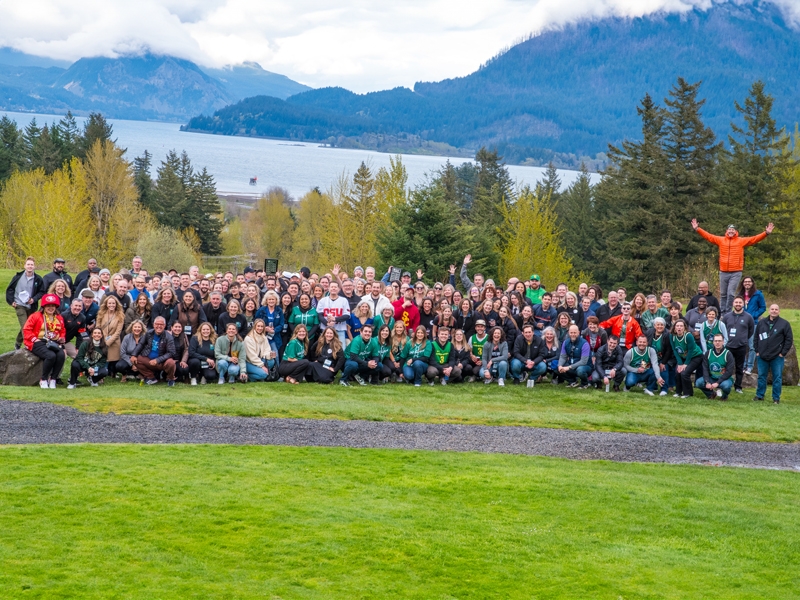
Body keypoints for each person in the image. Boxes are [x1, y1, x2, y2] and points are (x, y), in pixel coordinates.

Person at [692, 219, 773, 313]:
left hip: (736, 271)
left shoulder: (741, 241)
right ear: (726, 231)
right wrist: (697, 229)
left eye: (733, 230)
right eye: (729, 230)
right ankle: (722, 312)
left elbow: (754, 239)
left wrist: (766, 233)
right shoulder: (721, 240)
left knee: (730, 293)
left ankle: (728, 312)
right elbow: (708, 236)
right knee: (723, 294)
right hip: (723, 271)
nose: (731, 231)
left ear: (735, 232)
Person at [22, 293, 66, 388]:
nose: (51, 308)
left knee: (61, 355)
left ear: (56, 307)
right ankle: (44, 379)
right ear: (44, 307)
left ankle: (53, 379)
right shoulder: (35, 316)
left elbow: (62, 330)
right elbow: (26, 329)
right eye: (48, 306)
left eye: (53, 306)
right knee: (51, 356)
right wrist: (34, 339)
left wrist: (62, 338)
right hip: (37, 341)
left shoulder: (59, 318)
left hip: (53, 342)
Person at [754, 304, 793, 404]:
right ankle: (760, 395)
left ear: (779, 311)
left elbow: (788, 340)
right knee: (761, 376)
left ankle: (776, 398)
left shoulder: (784, 324)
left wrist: (782, 353)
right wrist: (757, 351)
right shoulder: (761, 323)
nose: (774, 311)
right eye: (772, 309)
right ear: (769, 311)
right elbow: (756, 337)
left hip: (777, 356)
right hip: (762, 355)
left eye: (776, 309)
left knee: (777, 377)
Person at [7, 257, 46, 350]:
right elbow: (10, 289)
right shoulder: (17, 277)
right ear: (25, 266)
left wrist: (34, 299)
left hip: (31, 306)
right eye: (28, 264)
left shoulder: (38, 279)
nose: (30, 266)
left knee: (28, 326)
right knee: (25, 325)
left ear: (34, 266)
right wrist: (11, 301)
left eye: (31, 265)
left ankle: (17, 342)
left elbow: (42, 291)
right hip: (19, 304)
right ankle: (28, 346)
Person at [132, 316, 177, 386]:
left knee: (171, 362)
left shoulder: (169, 337)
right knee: (136, 359)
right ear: (153, 325)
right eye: (157, 324)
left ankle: (171, 379)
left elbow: (171, 353)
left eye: (161, 324)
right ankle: (151, 378)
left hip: (162, 362)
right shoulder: (149, 333)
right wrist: (134, 355)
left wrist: (158, 360)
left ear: (164, 326)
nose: (159, 326)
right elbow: (141, 344)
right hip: (149, 360)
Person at [670, 318, 703, 399]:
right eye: (677, 326)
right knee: (678, 371)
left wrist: (685, 364)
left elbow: (691, 351)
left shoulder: (688, 336)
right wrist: (680, 363)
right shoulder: (672, 336)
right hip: (682, 357)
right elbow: (674, 350)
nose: (679, 328)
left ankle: (688, 393)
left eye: (681, 326)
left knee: (685, 373)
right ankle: (678, 392)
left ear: (684, 327)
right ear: (674, 327)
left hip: (695, 356)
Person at [696, 333, 735, 400]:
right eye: (716, 341)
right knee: (698, 383)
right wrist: (707, 382)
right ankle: (711, 394)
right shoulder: (708, 353)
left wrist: (717, 383)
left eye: (719, 341)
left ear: (723, 342)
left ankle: (724, 396)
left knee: (726, 386)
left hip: (724, 379)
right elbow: (705, 369)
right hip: (712, 378)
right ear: (713, 342)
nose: (717, 343)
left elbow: (729, 371)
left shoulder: (728, 354)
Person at [739, 276, 766, 375]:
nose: (747, 283)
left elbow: (763, 307)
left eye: (749, 282)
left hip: (753, 323)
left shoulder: (758, 294)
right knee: (742, 345)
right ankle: (743, 366)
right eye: (745, 281)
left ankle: (749, 366)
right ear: (743, 283)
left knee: (752, 346)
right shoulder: (740, 294)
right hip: (741, 323)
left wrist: (753, 315)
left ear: (752, 283)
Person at [316, 281, 351, 346]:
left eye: (335, 287)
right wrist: (327, 323)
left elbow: (347, 315)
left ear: (339, 289)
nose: (333, 288)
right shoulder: (322, 300)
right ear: (329, 288)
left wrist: (335, 319)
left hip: (339, 329)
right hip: (325, 329)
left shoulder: (344, 300)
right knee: (324, 349)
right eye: (332, 287)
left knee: (341, 349)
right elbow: (319, 315)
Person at [97, 295, 124, 376]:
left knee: (113, 359)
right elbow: (97, 327)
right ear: (106, 304)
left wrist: (108, 342)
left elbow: (118, 332)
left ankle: (113, 372)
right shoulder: (101, 314)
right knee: (103, 358)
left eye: (113, 303)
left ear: (116, 304)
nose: (111, 305)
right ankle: (102, 373)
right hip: (102, 339)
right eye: (109, 303)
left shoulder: (120, 315)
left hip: (114, 341)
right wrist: (102, 339)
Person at [648, 317, 674, 396]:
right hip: (651, 358)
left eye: (662, 325)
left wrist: (663, 362)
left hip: (663, 358)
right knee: (651, 370)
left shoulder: (667, 335)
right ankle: (651, 388)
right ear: (654, 326)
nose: (659, 326)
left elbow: (668, 351)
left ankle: (664, 389)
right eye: (658, 325)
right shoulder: (649, 333)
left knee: (664, 369)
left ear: (664, 326)